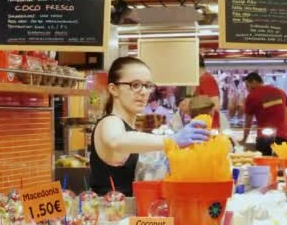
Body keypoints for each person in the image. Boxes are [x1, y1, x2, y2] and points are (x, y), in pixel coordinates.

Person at [89, 56, 210, 196]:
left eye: (148, 86)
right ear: (113, 89)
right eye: (135, 85)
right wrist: (171, 140)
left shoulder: (129, 128)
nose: (144, 92)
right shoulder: (110, 122)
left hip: (133, 214)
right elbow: (116, 140)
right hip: (110, 214)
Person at [241, 72, 287, 156]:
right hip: (283, 138)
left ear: (253, 82)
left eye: (247, 86)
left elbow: (248, 123)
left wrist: (244, 139)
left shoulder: (251, 96)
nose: (247, 89)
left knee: (265, 166)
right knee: (280, 166)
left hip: (264, 139)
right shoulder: (281, 92)